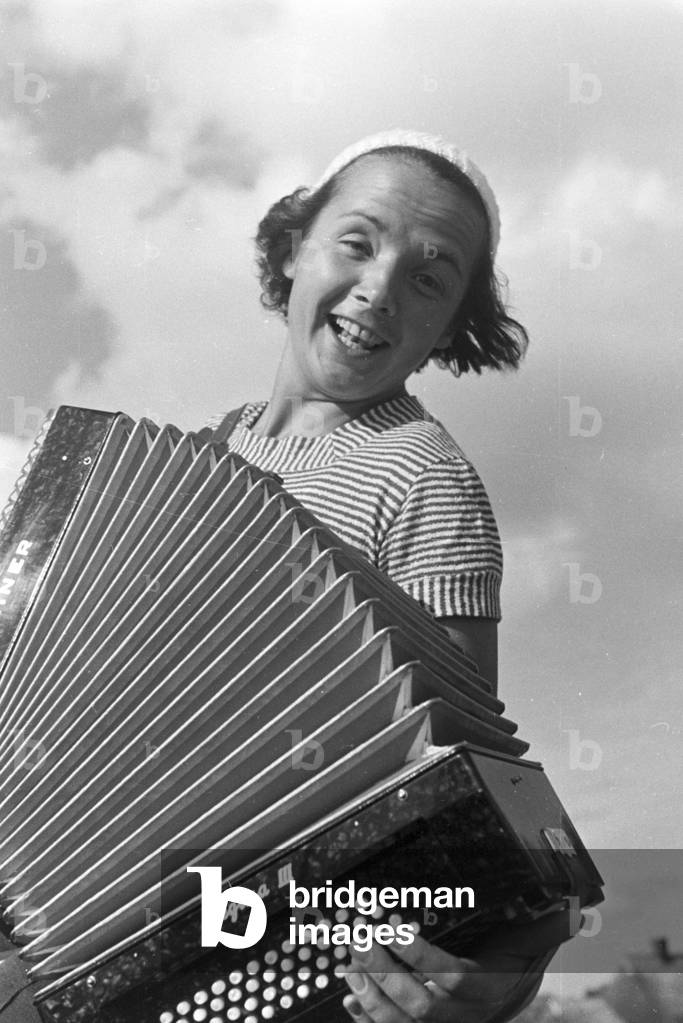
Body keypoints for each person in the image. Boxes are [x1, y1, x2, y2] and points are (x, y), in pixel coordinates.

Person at [208, 130, 569, 1021]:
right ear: (294, 247)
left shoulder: (422, 480)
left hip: (258, 945)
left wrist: (477, 989)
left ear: (448, 326)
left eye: (428, 277)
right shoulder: (205, 453)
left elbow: (451, 788)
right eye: (358, 243)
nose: (379, 289)